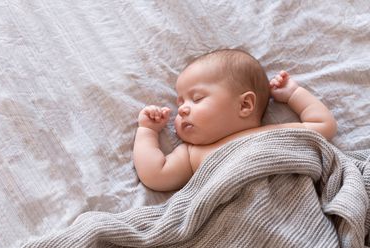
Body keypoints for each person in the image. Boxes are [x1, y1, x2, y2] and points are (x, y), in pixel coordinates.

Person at [133, 49, 337, 192]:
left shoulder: (276, 133)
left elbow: (324, 126)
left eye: (197, 99)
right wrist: (147, 131)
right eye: (180, 104)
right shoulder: (191, 154)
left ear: (245, 105)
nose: (183, 109)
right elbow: (155, 175)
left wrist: (293, 94)